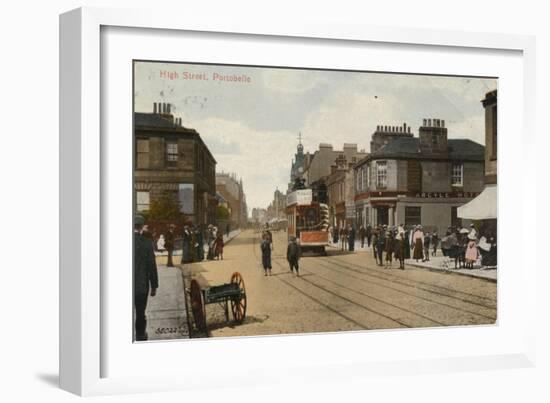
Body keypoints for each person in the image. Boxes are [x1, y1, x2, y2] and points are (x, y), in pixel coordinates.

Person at [134, 215, 158, 341]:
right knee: (140, 312)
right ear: (142, 227)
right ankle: (140, 335)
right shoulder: (147, 243)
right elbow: (152, 266)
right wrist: (154, 286)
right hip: (141, 286)